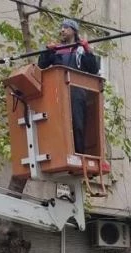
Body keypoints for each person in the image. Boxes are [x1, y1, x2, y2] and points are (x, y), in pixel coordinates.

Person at [38, 19, 100, 154]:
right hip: (58, 92)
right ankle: (59, 153)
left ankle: (78, 154)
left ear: (74, 31)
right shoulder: (57, 50)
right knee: (57, 123)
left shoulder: (80, 50)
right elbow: (42, 65)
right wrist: (47, 51)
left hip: (76, 92)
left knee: (77, 124)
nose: (62, 30)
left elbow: (93, 69)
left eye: (66, 27)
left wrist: (88, 50)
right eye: (61, 28)